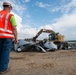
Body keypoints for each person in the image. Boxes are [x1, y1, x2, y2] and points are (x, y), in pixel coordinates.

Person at [0, 2, 18, 73]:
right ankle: (3, 69)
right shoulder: (10, 16)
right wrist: (16, 38)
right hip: (7, 38)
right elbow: (14, 28)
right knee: (5, 53)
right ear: (9, 7)